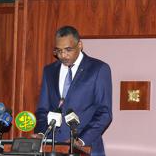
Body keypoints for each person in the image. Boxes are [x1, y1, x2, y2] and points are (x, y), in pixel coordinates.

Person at [34, 26, 112, 156]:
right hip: (52, 148)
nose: (63, 55)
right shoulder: (49, 71)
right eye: (58, 51)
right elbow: (43, 110)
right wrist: (42, 133)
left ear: (80, 45)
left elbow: (104, 112)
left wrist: (80, 140)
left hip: (86, 147)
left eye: (68, 50)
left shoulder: (98, 69)